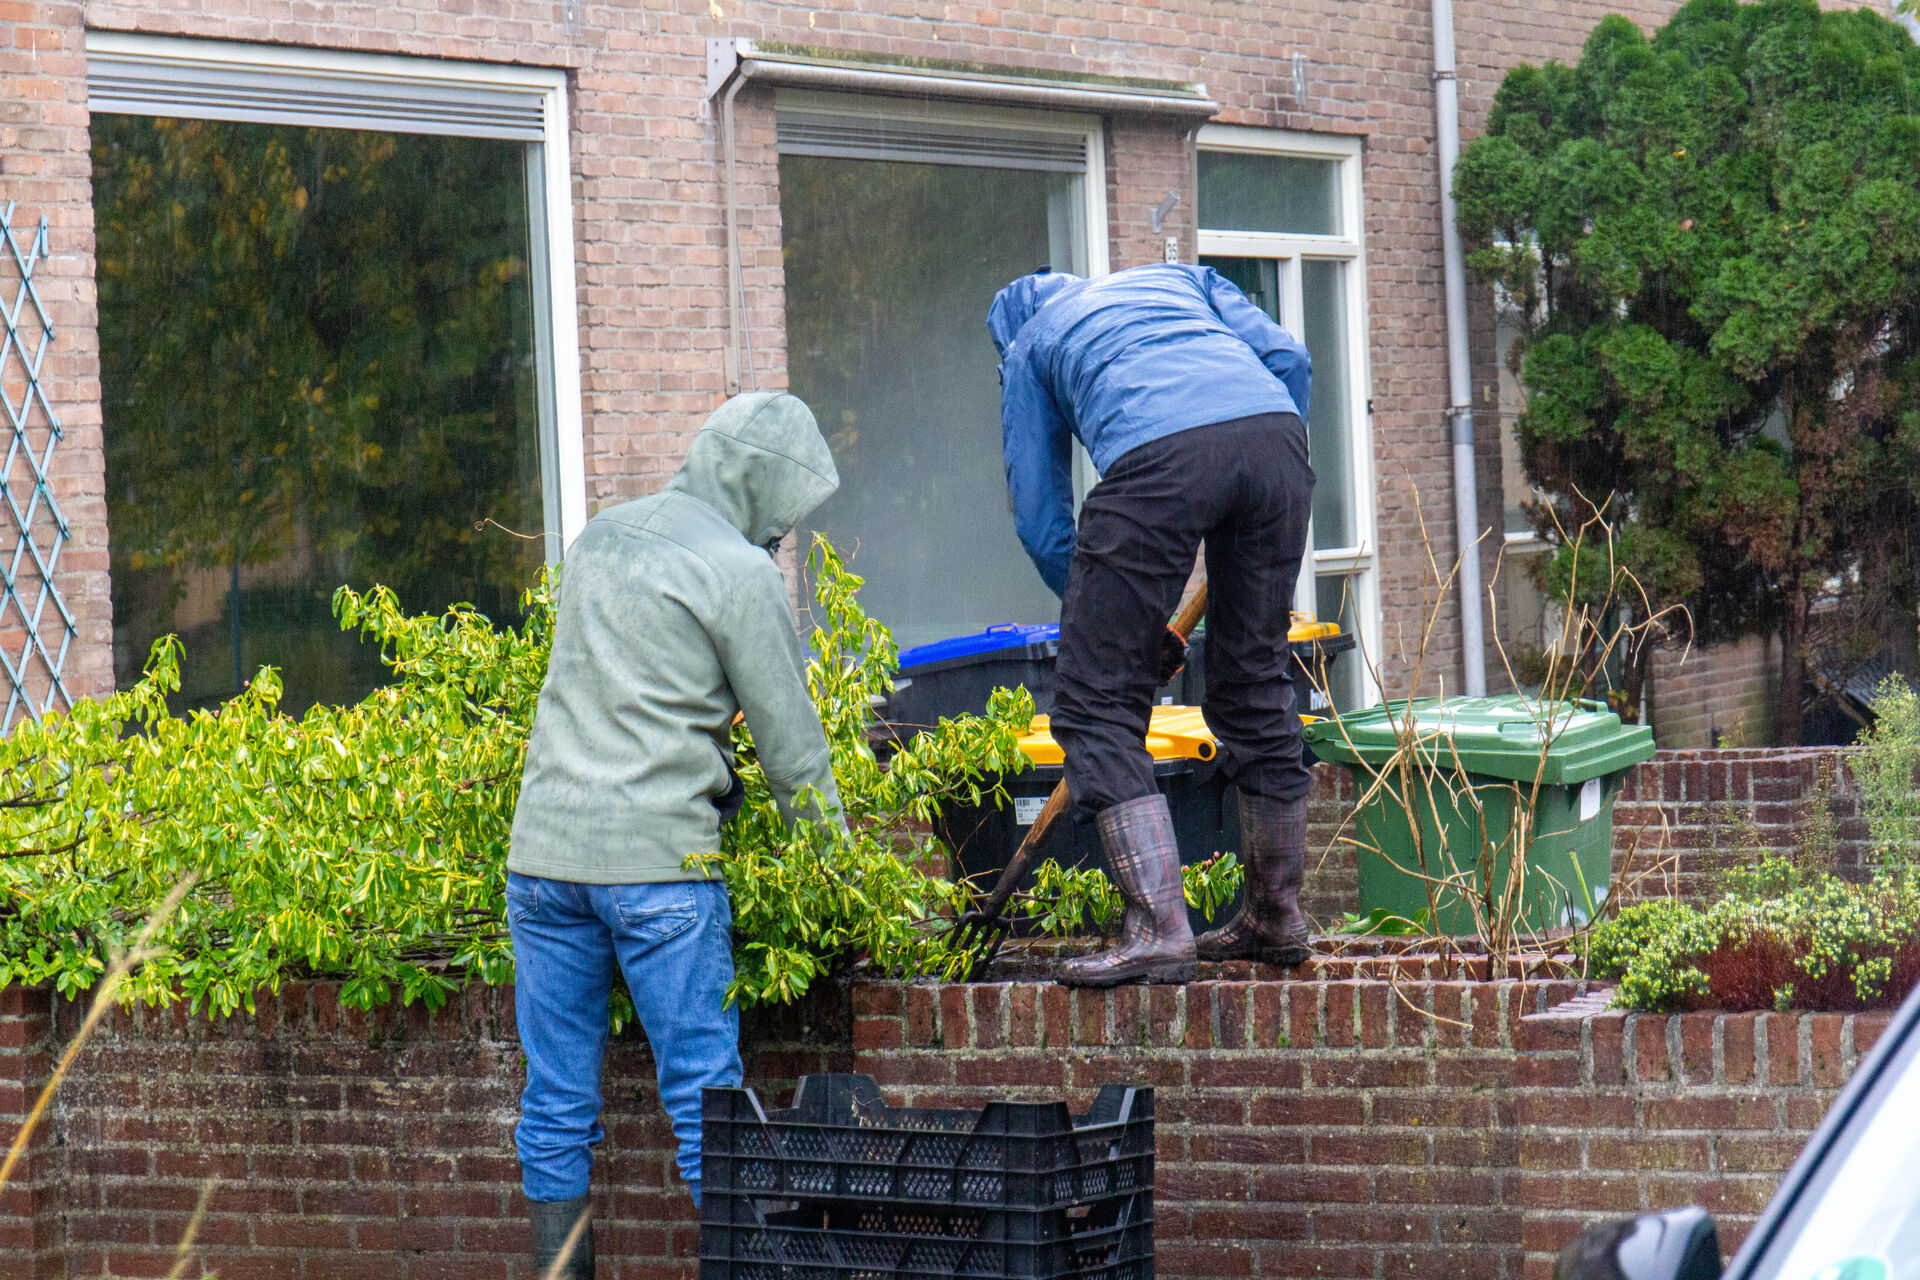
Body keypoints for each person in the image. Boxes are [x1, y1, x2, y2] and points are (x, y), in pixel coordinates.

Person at [505, 391, 845, 1277]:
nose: (785, 532)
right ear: (764, 488)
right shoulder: (739, 573)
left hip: (542, 859)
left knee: (553, 1107)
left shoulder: (602, 538)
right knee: (707, 1106)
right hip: (657, 867)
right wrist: (841, 874)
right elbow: (793, 748)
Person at [988, 262, 1316, 987]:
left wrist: (1109, 625)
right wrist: (1268, 449)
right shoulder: (1178, 281)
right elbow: (1291, 359)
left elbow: (1044, 525)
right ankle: (1275, 915)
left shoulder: (1028, 345)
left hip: (1157, 457)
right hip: (1278, 440)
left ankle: (1161, 929)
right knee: (1253, 680)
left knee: (1095, 704)